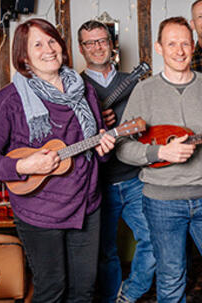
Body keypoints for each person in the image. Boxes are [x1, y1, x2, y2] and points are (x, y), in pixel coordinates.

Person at [0, 18, 115, 303]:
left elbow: (99, 150)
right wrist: (23, 166)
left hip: (87, 206)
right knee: (52, 290)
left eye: (52, 41)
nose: (48, 49)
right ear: (24, 56)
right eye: (37, 44)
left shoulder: (85, 91)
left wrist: (106, 146)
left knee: (84, 291)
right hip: (39, 212)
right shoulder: (10, 99)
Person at [116, 16, 202, 302]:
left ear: (193, 46)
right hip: (161, 201)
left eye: (185, 43)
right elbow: (122, 147)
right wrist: (159, 153)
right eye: (172, 43)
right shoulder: (144, 91)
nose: (179, 50)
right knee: (172, 279)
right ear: (159, 48)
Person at [77, 20, 155, 303]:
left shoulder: (132, 82)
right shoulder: (74, 86)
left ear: (111, 44)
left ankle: (130, 294)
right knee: (104, 250)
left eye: (102, 40)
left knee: (153, 240)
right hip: (98, 181)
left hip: (135, 177)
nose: (97, 47)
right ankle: (110, 298)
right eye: (90, 42)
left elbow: (151, 122)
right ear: (81, 48)